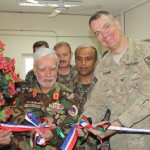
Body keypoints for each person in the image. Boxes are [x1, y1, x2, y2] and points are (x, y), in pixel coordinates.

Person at [80, 10, 150, 150]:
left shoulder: (146, 53)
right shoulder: (101, 67)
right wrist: (85, 122)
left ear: (117, 24)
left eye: (106, 26)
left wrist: (118, 124)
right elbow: (96, 104)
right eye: (97, 33)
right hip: (120, 143)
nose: (104, 34)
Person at [11, 48, 79, 150]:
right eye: (42, 69)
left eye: (52, 69)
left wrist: (53, 136)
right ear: (34, 70)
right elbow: (13, 126)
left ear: (57, 69)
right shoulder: (21, 95)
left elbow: (72, 133)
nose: (48, 74)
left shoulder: (69, 97)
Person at [74, 45, 111, 150]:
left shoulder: (106, 87)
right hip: (73, 145)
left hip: (100, 145)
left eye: (88, 59)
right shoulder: (65, 88)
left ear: (96, 62)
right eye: (79, 59)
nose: (83, 63)